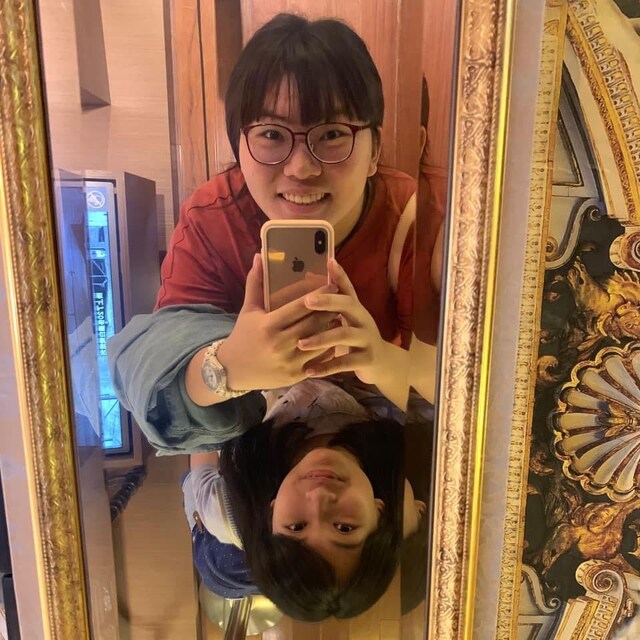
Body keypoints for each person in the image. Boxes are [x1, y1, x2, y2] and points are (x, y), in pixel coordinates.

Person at [108, 12, 440, 457]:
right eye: (270, 134)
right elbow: (156, 371)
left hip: (378, 439)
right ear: (238, 147)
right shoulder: (213, 220)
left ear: (375, 150)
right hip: (256, 435)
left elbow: (460, 389)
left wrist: (378, 359)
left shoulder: (413, 221)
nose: (301, 168)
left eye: (332, 134)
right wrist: (230, 367)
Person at [183, 379, 427, 620]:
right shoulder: (395, 466)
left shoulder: (223, 507)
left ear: (272, 512)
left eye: (297, 526)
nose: (319, 495)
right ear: (379, 511)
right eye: (344, 527)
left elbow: (200, 436)